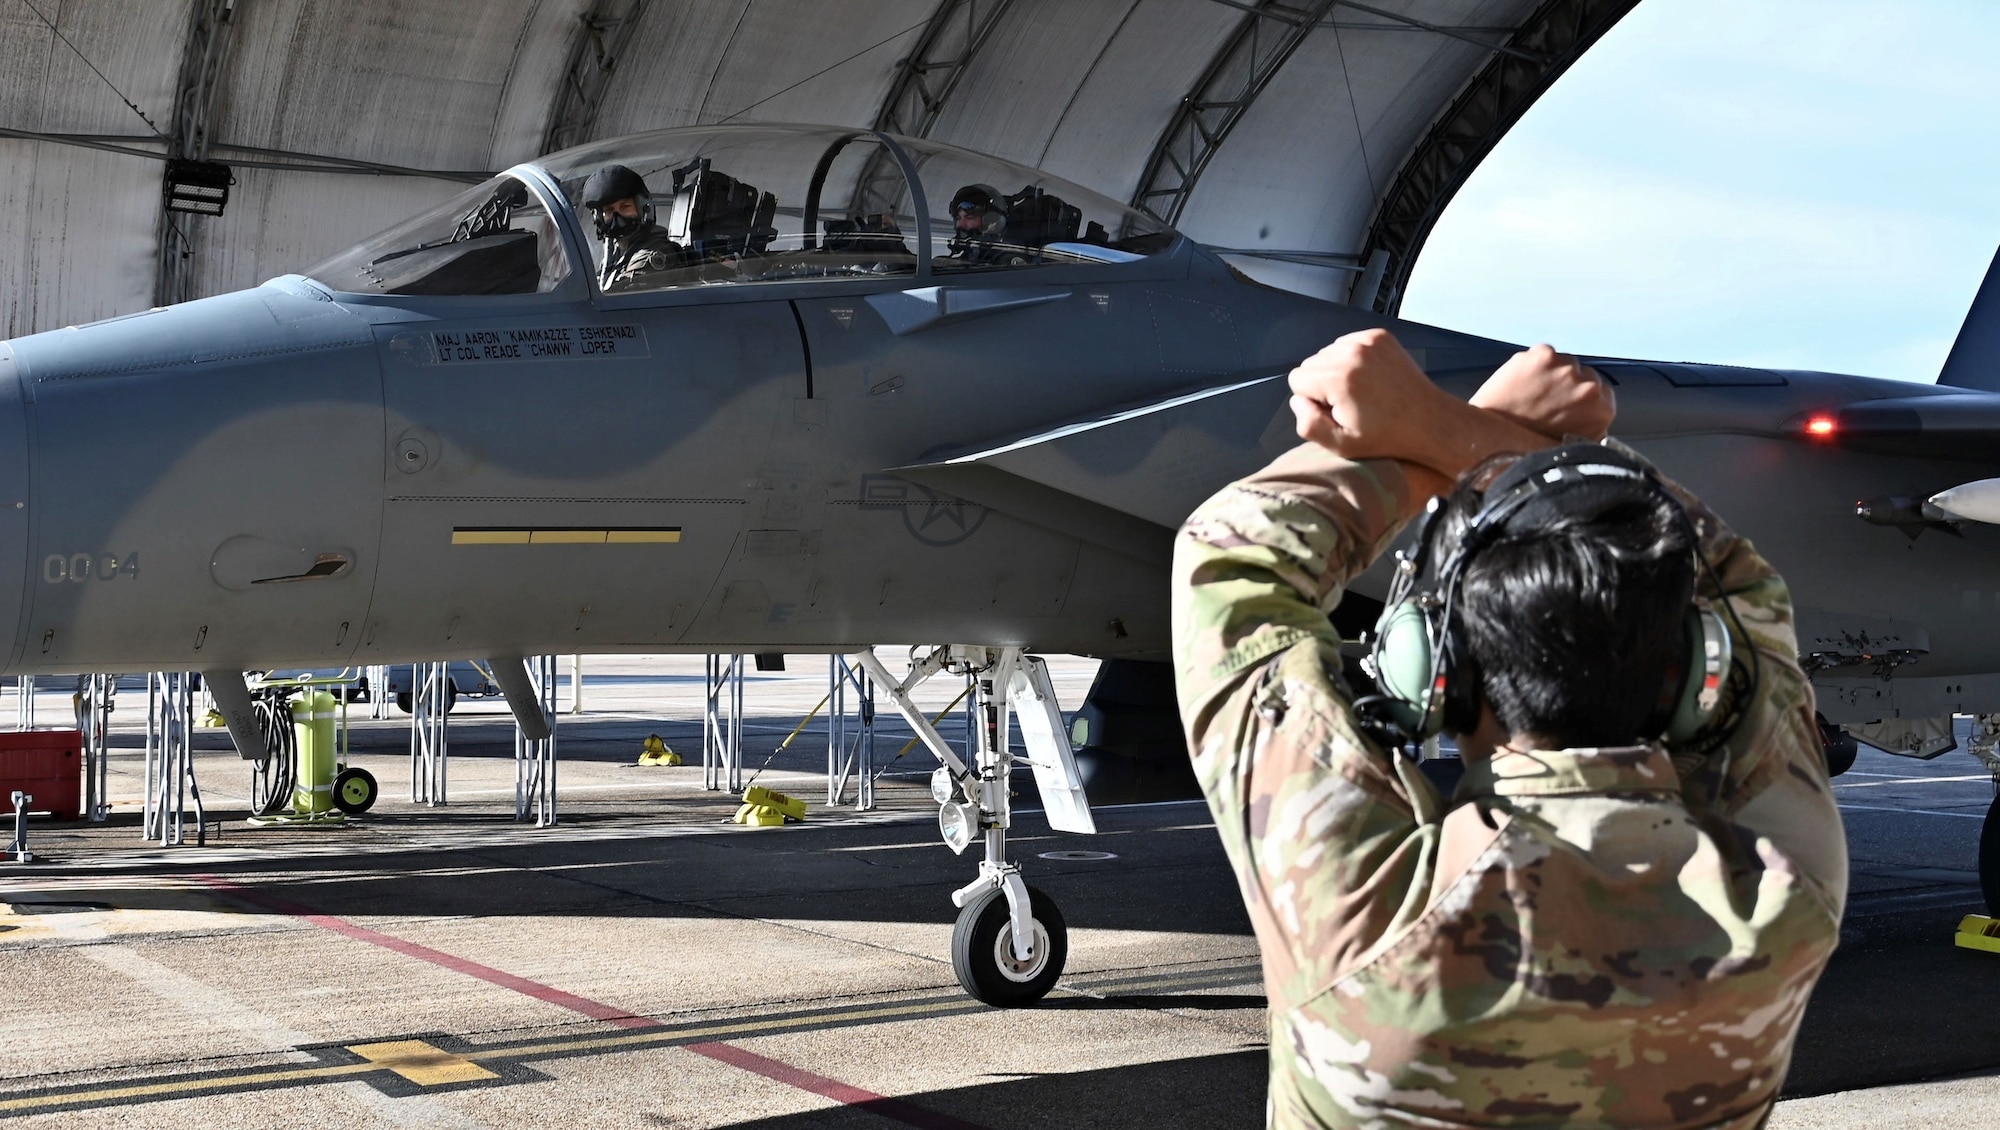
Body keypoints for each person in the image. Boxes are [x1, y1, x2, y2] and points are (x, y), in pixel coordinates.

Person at [1172, 329, 1846, 1128]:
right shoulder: (1787, 890)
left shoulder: (1364, 920)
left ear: (1437, 673)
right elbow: (1746, 593)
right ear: (1688, 676)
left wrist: (1448, 427)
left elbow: (1233, 566)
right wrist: (1456, 434)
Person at [579, 164, 683, 292]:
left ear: (642, 207)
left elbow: (619, 300)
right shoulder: (617, 254)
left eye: (625, 206)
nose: (618, 217)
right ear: (599, 218)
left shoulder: (652, 254)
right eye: (609, 210)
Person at [944, 183, 1028, 266]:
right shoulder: (972, 255)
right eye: (958, 218)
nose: (960, 224)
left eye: (970, 217)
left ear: (992, 222)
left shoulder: (1005, 260)